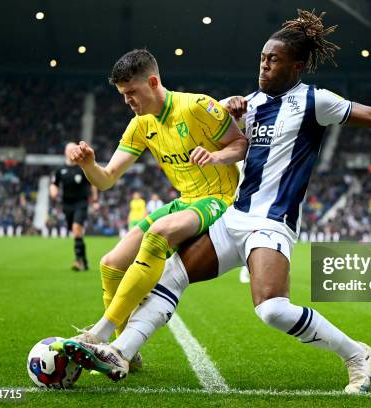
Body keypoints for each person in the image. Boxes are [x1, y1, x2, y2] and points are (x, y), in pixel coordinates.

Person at [63, 10, 371, 393]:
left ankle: (356, 353)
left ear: (295, 66)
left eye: (273, 60)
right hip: (234, 217)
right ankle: (119, 350)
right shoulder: (253, 103)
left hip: (272, 222)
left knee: (272, 310)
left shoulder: (316, 102)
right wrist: (231, 110)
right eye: (262, 58)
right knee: (170, 277)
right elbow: (231, 136)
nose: (263, 66)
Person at [65, 49, 247, 357]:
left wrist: (216, 156)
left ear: (152, 82)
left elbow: (240, 143)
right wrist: (88, 165)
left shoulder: (198, 106)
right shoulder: (140, 124)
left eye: (132, 92)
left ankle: (100, 333)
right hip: (186, 201)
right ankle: (126, 352)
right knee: (110, 264)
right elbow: (107, 179)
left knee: (158, 233)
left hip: (219, 198)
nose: (128, 101)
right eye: (123, 95)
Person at [50, 143, 98, 271]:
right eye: (69, 150)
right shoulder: (60, 169)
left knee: (77, 229)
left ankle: (78, 261)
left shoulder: (82, 168)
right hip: (67, 204)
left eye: (73, 149)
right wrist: (53, 191)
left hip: (81, 202)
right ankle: (85, 260)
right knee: (77, 234)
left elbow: (92, 183)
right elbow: (54, 183)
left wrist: (95, 200)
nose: (71, 152)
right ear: (65, 152)